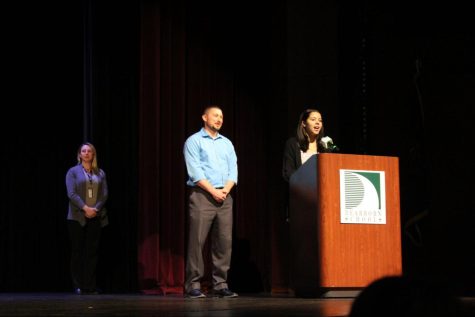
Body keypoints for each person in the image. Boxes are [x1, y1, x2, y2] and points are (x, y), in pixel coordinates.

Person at [183, 105, 238, 299]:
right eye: (215, 115)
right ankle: (193, 284)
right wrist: (213, 190)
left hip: (224, 196)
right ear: (204, 117)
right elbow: (195, 171)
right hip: (202, 195)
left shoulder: (227, 143)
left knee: (224, 242)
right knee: (197, 241)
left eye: (221, 116)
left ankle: (220, 284)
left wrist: (225, 190)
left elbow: (233, 170)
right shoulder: (194, 141)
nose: (219, 119)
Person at [65, 142, 108, 295]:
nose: (86, 153)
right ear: (79, 154)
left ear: (93, 154)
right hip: (77, 217)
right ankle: (78, 285)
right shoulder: (73, 172)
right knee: (78, 252)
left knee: (92, 253)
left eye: (89, 151)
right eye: (83, 151)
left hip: (96, 217)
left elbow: (104, 194)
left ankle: (89, 285)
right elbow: (71, 194)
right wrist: (85, 208)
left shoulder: (100, 173)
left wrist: (95, 209)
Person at [282, 108, 331, 183]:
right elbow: (288, 172)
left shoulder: (324, 146)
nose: (317, 122)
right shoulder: (293, 143)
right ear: (304, 123)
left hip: (322, 190)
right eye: (313, 119)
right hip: (301, 190)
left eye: (320, 120)